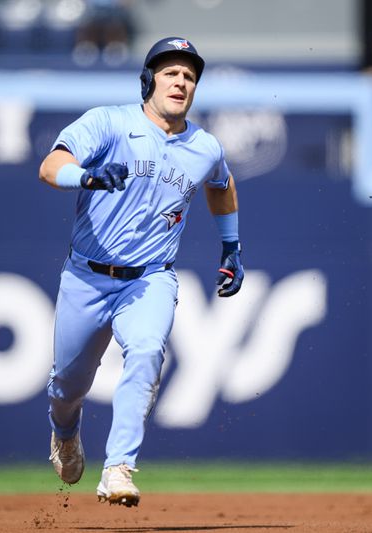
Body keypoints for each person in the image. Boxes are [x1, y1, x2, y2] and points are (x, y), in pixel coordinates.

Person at [38, 36, 244, 507]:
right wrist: (84, 176)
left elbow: (221, 182)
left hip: (151, 276)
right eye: (171, 72)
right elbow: (51, 165)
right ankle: (64, 432)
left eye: (190, 76)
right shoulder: (109, 122)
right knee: (66, 386)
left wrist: (230, 245)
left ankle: (118, 468)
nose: (181, 82)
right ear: (149, 79)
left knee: (149, 351)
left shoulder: (204, 146)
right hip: (87, 276)